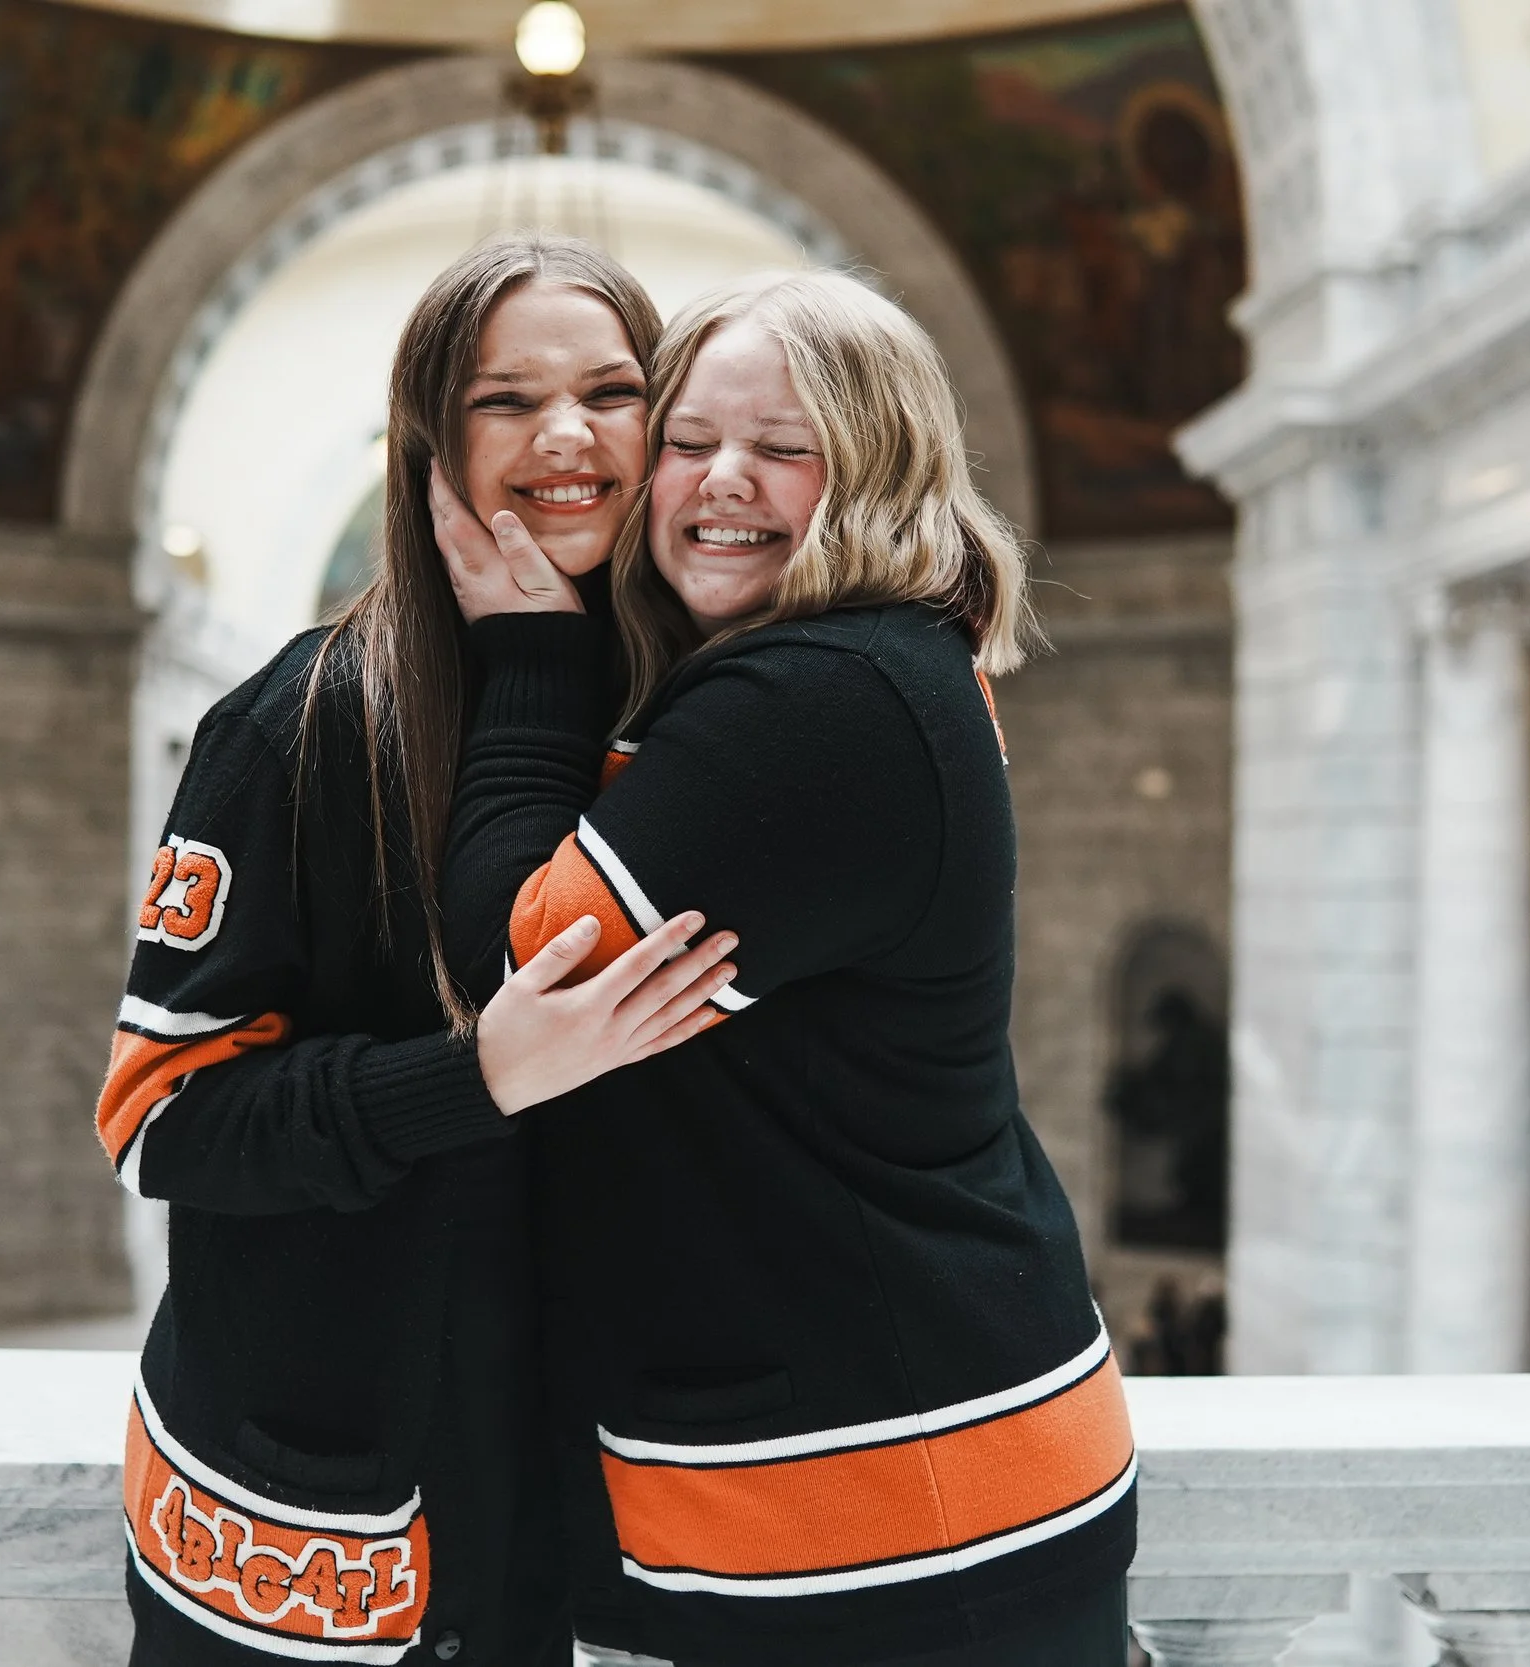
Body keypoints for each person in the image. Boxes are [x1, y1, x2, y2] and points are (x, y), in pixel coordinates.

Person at [435, 271, 1137, 1667]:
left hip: (905, 1506)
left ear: (879, 467)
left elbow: (517, 959)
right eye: (689, 442)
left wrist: (523, 664)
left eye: (785, 445)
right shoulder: (845, 668)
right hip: (897, 1459)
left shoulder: (823, 698)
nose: (723, 481)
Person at [97, 235, 736, 1667]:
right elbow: (164, 1118)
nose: (565, 434)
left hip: (589, 1519)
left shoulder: (705, 732)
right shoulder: (297, 725)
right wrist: (471, 1075)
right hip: (324, 1528)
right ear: (429, 441)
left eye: (612, 390)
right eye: (506, 398)